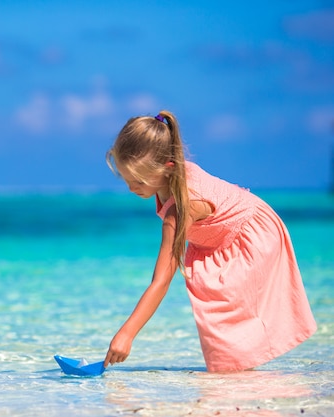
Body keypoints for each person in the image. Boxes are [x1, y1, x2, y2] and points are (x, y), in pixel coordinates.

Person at [103, 110, 317, 372]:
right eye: (126, 180)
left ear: (168, 168)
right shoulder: (171, 176)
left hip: (251, 235)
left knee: (222, 314)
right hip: (220, 236)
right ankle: (237, 372)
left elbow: (162, 279)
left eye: (138, 181)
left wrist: (127, 333)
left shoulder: (180, 209)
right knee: (214, 311)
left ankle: (236, 374)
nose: (131, 188)